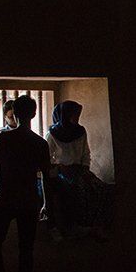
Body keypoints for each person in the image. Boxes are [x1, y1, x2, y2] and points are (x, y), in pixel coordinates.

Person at [0, 95, 50, 272]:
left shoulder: (4, 138)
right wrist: (46, 203)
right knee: (26, 248)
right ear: (33, 114)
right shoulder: (39, 143)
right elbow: (46, 178)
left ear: (15, 112)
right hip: (28, 200)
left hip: (5, 198)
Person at [45, 100, 113, 240]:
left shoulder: (80, 132)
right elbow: (46, 158)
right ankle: (77, 227)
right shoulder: (53, 134)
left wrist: (85, 168)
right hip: (62, 172)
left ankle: (96, 226)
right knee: (77, 190)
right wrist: (59, 168)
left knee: (101, 189)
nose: (77, 117)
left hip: (79, 170)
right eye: (74, 114)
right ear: (66, 115)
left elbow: (86, 153)